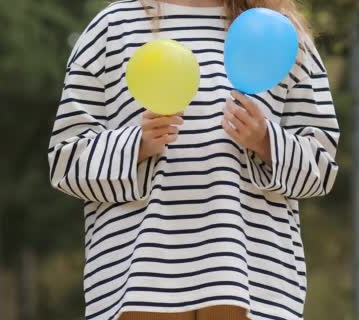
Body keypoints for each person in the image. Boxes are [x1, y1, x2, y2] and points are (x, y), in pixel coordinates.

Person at [47, 0, 340, 319]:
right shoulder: (112, 28)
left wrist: (265, 141)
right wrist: (137, 144)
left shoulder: (282, 33)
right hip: (140, 282)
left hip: (253, 282)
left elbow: (321, 169)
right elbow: (66, 161)